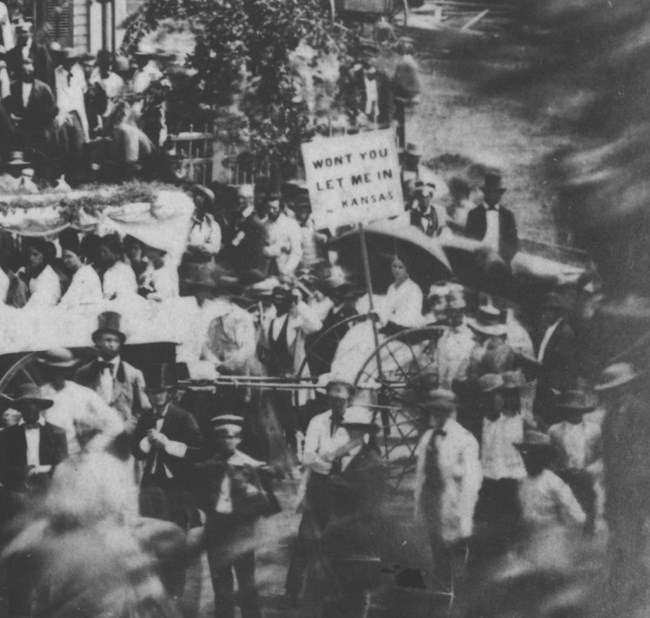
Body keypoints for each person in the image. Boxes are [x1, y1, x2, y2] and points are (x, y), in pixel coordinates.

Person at [194, 414, 280, 618]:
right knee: (221, 585)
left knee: (247, 583)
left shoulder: (250, 467)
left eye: (233, 436)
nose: (228, 441)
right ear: (216, 440)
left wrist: (245, 508)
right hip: (217, 530)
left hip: (242, 531)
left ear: (239, 439)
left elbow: (266, 504)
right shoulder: (207, 468)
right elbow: (199, 497)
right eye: (223, 437)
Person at [131, 363, 202, 599]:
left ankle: (175, 596)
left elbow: (197, 450)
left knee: (175, 542)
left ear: (170, 393)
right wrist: (146, 443)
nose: (157, 396)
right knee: (150, 542)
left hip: (176, 490)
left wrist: (167, 445)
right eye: (152, 392)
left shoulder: (183, 417)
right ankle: (156, 596)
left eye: (161, 391)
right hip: (151, 487)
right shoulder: (145, 418)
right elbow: (137, 452)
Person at [285, 377, 354, 606]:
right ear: (327, 399)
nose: (337, 404)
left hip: (343, 490)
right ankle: (293, 591)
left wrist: (328, 460)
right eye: (333, 399)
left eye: (342, 400)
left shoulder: (357, 424)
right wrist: (334, 462)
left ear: (349, 399)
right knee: (306, 537)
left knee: (342, 540)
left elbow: (355, 459)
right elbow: (307, 457)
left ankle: (333, 593)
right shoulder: (317, 422)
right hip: (319, 486)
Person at [0, 383, 68, 617]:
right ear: (19, 407)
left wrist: (43, 471)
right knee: (18, 565)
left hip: (46, 504)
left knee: (45, 563)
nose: (30, 408)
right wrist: (26, 473)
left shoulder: (56, 433)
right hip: (16, 506)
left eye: (34, 403)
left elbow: (64, 468)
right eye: (25, 403)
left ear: (40, 406)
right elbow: (3, 469)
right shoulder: (7, 436)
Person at [319, 407, 386, 618]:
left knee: (357, 592)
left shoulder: (372, 462)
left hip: (358, 535)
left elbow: (370, 506)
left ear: (366, 431)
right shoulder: (339, 456)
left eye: (358, 429)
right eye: (350, 428)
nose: (353, 433)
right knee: (334, 588)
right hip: (335, 534)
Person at [414, 389, 482, 592]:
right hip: (431, 498)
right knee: (437, 548)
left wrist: (464, 515)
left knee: (455, 551)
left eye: (443, 410)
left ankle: (458, 597)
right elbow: (420, 473)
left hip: (453, 501)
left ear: (451, 411)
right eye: (434, 410)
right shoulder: (427, 436)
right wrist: (418, 503)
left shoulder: (464, 439)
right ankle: (441, 592)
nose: (438, 414)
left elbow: (472, 480)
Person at [474, 373, 526, 563]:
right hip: (487, 480)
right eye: (490, 396)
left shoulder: (516, 422)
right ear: (482, 399)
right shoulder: (477, 424)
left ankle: (513, 558)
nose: (496, 400)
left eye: (499, 395)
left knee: (512, 521)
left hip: (512, 479)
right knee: (488, 522)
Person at [38, 348, 124, 457]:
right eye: (53, 369)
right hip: (45, 457)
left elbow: (116, 424)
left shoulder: (82, 393)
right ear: (47, 370)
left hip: (73, 456)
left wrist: (92, 448)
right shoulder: (39, 393)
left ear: (68, 370)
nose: (58, 374)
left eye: (62, 369)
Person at [76, 311, 150, 424]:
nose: (112, 345)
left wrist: (129, 429)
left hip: (124, 436)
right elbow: (79, 407)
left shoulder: (133, 374)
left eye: (116, 341)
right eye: (108, 340)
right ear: (98, 341)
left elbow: (142, 409)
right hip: (95, 434)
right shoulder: (83, 373)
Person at [548, 389, 601, 534]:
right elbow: (549, 458)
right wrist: (559, 471)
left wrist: (588, 471)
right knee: (566, 515)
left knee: (588, 512)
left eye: (578, 410)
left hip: (586, 478)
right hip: (564, 478)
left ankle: (588, 537)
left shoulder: (594, 431)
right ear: (565, 410)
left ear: (583, 411)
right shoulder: (555, 431)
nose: (574, 413)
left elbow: (600, 457)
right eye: (571, 410)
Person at [515, 430, 585, 532]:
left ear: (543, 458)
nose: (527, 458)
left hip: (551, 535)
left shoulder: (553, 482)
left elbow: (577, 515)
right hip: (530, 536)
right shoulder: (522, 481)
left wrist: (570, 533)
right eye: (525, 453)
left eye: (534, 454)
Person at [534, 293, 578, 424]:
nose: (545, 314)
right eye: (544, 310)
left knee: (551, 416)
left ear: (556, 312)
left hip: (554, 383)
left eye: (548, 310)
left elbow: (565, 363)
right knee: (543, 415)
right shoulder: (551, 329)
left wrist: (558, 386)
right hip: (546, 379)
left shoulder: (564, 332)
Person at [3, 56, 57, 152]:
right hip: (19, 130)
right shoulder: (13, 87)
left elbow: (53, 109)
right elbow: (7, 104)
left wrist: (39, 118)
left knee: (39, 157)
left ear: (34, 71)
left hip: (38, 130)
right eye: (24, 71)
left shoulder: (43, 88)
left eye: (29, 71)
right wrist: (10, 115)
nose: (27, 73)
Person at [465, 171, 519, 264]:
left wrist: (503, 259)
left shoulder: (507, 215)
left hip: (501, 263)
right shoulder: (474, 214)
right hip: (478, 263)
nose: (495, 195)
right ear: (485, 193)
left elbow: (513, 243)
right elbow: (468, 241)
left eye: (497, 192)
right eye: (491, 192)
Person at [223, 185, 269, 283]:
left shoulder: (256, 225)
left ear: (251, 199)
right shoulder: (235, 219)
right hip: (234, 269)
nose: (240, 201)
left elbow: (256, 255)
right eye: (239, 198)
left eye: (243, 198)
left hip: (249, 273)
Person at [434, 287, 475, 390]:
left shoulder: (470, 336)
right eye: (451, 312)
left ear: (463, 312)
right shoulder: (443, 335)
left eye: (458, 311)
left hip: (460, 387)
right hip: (441, 387)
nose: (455, 315)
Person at [381, 254, 424, 334]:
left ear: (407, 269)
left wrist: (394, 319)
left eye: (401, 267)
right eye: (394, 266)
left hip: (408, 325)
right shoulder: (391, 288)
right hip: (392, 323)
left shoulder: (413, 288)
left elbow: (413, 312)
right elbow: (387, 308)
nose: (396, 270)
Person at [59, 231, 103, 307]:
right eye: (63, 257)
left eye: (69, 256)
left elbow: (69, 300)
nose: (65, 260)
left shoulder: (83, 273)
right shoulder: (82, 271)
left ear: (79, 256)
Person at [263, 193, 303, 278]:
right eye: (268, 207)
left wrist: (286, 271)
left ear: (280, 208)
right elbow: (260, 250)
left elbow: (296, 252)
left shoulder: (291, 224)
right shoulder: (263, 226)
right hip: (266, 272)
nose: (270, 211)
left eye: (274, 208)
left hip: (285, 272)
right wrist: (279, 248)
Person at [18, 237, 61, 307]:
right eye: (29, 255)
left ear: (44, 255)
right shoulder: (35, 271)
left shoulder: (48, 277)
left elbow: (39, 305)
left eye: (35, 254)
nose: (31, 258)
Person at [97, 233, 138, 300]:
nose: (102, 255)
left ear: (115, 252)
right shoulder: (127, 268)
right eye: (100, 251)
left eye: (105, 252)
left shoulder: (110, 273)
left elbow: (106, 299)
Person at [89, 48, 124, 123]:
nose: (106, 66)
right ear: (99, 63)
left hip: (115, 116)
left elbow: (120, 98)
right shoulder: (93, 80)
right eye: (103, 63)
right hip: (98, 117)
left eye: (108, 63)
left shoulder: (117, 80)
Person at [187, 186, 222, 261]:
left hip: (203, 265)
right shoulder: (184, 221)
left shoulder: (212, 225)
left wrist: (195, 247)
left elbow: (214, 248)